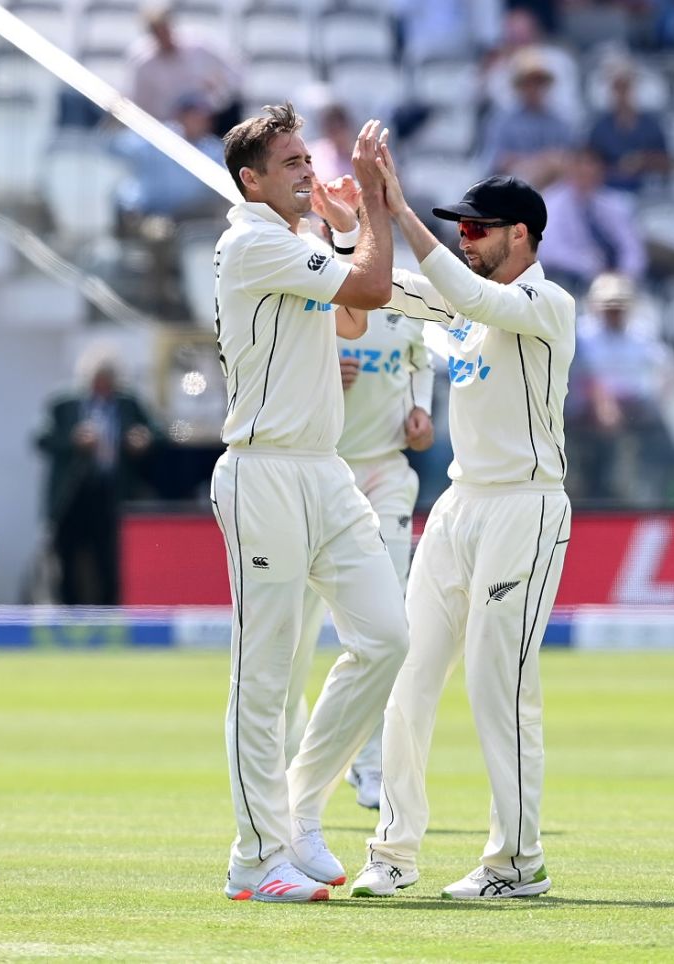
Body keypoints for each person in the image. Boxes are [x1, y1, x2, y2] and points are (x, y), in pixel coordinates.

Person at [348, 155, 574, 900]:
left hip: (526, 506)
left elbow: (464, 289)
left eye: (478, 229)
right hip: (458, 505)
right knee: (408, 673)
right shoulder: (468, 304)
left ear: (523, 234)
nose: (468, 238)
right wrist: (359, 224)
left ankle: (517, 862)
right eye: (462, 230)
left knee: (495, 685)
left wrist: (403, 210)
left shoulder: (548, 306)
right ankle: (394, 852)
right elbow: (395, 290)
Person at [210, 105, 409, 903]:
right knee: (266, 672)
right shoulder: (253, 240)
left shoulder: (293, 241)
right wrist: (372, 208)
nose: (303, 170)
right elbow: (374, 285)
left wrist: (340, 225)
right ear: (252, 179)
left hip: (324, 470)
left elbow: (356, 316)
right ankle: (255, 860)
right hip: (263, 470)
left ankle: (298, 815)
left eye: (305, 157)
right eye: (288, 162)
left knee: (387, 637)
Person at [284, 293, 437, 811]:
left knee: (388, 625)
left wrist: (421, 413)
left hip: (386, 473)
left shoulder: (405, 292)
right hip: (317, 470)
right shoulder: (305, 286)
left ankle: (371, 763)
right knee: (292, 634)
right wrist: (321, 376)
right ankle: (288, 760)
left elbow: (421, 359)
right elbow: (265, 369)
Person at [35, 345, 158, 605]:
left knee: (110, 559)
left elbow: (159, 433)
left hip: (112, 494)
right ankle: (67, 615)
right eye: (98, 381)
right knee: (67, 558)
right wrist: (73, 440)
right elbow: (41, 439)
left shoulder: (128, 402)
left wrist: (142, 439)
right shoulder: (64, 403)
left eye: (108, 382)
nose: (103, 387)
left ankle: (109, 614)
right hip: (71, 495)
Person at [572, 272, 674, 504]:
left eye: (619, 306)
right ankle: (598, 495)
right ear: (595, 306)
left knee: (663, 438)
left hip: (634, 410)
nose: (614, 312)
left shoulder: (640, 334)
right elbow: (580, 376)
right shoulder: (581, 335)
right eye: (609, 306)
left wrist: (659, 397)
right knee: (603, 432)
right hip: (587, 413)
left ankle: (660, 494)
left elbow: (665, 368)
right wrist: (602, 402)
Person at [538, 147, 646, 293]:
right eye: (580, 167)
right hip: (571, 279)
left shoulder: (614, 202)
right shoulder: (551, 202)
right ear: (570, 169)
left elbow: (632, 247)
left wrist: (625, 274)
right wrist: (591, 267)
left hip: (615, 279)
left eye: (592, 167)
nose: (586, 172)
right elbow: (550, 253)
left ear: (601, 172)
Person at [112, 93, 228, 222]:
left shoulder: (214, 149)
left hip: (192, 217)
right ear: (181, 116)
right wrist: (115, 120)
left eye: (204, 117)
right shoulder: (159, 136)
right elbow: (118, 147)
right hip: (150, 213)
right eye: (194, 115)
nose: (199, 121)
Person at [128, 5, 241, 136]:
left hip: (213, 120)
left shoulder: (199, 45)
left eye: (165, 30)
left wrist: (217, 96)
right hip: (171, 131)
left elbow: (234, 68)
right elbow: (141, 104)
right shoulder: (143, 63)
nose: (164, 37)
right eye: (157, 32)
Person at [480, 50, 575, 188]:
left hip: (554, 188)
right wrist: (537, 162)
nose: (534, 88)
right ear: (519, 86)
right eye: (528, 83)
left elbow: (571, 160)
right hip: (511, 188)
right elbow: (493, 161)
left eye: (538, 83)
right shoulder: (502, 121)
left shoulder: (560, 121)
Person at [585, 60, 672, 194]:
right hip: (608, 192)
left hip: (646, 192)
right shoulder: (599, 128)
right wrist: (618, 169)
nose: (622, 93)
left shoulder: (652, 126)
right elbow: (589, 165)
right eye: (617, 88)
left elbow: (667, 164)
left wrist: (643, 160)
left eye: (626, 87)